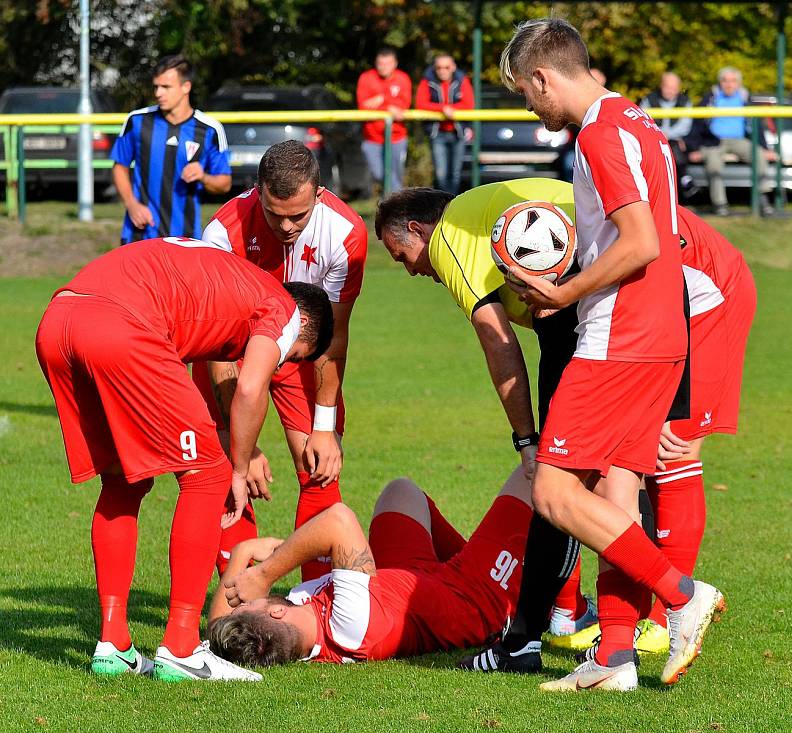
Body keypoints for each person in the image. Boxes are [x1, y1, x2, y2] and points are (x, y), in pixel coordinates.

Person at [495, 18, 725, 692]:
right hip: (660, 333)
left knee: (555, 489)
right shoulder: (643, 122)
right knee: (614, 492)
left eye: (527, 96)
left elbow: (641, 241)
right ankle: (614, 659)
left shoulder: (599, 132)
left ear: (544, 77)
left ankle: (682, 595)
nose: (533, 111)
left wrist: (563, 291)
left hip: (619, 336)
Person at [35, 236, 333, 681]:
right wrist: (238, 465)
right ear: (303, 322)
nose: (281, 364)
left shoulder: (231, 279)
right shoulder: (284, 308)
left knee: (123, 482)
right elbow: (250, 387)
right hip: (120, 326)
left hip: (58, 321)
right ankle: (182, 649)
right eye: (292, 358)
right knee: (208, 476)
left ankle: (113, 645)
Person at [374, 179, 594, 673]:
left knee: (558, 482)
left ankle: (526, 641)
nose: (409, 270)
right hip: (621, 298)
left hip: (583, 312)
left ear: (417, 229)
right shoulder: (481, 223)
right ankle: (630, 622)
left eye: (400, 254)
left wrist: (527, 441)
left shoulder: (450, 238)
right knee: (629, 466)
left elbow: (499, 343)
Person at [550, 206, 757, 655]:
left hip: (705, 300)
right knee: (621, 468)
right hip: (656, 313)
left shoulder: (603, 180)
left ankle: (666, 618)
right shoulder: (579, 204)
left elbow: (650, 255)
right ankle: (625, 625)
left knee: (674, 452)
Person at [199, 140, 368, 581]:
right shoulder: (223, 234)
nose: (288, 226)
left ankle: (316, 597)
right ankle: (237, 603)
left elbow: (335, 334)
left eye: (300, 214)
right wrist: (244, 447)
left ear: (320, 194)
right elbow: (217, 346)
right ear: (257, 193)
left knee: (320, 466)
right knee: (224, 470)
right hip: (231, 352)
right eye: (276, 215)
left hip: (300, 353)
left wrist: (325, 426)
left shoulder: (346, 234)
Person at [207, 465, 532, 666]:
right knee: (540, 472)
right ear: (275, 613)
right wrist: (264, 573)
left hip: (406, 583)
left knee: (401, 492)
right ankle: (555, 608)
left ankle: (483, 557)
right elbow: (339, 521)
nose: (247, 598)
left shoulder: (292, 628)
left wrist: (243, 550)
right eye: (251, 603)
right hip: (470, 599)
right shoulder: (349, 627)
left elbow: (218, 628)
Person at [111, 55, 232, 245]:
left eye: (166, 87)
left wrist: (203, 177)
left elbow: (224, 183)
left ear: (186, 87)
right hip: (139, 234)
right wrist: (131, 204)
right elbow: (120, 167)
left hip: (186, 238)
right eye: (156, 86)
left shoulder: (209, 129)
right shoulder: (137, 121)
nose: (158, 93)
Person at [687, 66, 775, 217]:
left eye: (733, 81)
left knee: (759, 154)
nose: (729, 84)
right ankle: (720, 204)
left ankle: (763, 198)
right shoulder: (711, 98)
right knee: (713, 162)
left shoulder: (744, 98)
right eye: (725, 81)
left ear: (738, 83)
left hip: (738, 140)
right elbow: (697, 123)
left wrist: (764, 147)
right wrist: (693, 148)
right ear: (720, 82)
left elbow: (756, 125)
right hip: (714, 141)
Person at [415, 54, 475, 194]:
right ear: (434, 68)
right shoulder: (427, 80)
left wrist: (451, 109)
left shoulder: (461, 80)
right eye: (439, 67)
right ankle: (442, 204)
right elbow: (421, 103)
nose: (443, 70)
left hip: (457, 132)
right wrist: (443, 108)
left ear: (453, 67)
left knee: (455, 173)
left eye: (446, 67)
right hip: (437, 133)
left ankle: (452, 203)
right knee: (440, 174)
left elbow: (469, 104)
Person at [356, 47, 412, 194]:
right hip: (372, 138)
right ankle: (399, 201)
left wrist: (380, 100)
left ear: (395, 64)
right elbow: (363, 107)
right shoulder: (366, 78)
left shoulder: (402, 78)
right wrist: (390, 105)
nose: (383, 67)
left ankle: (395, 206)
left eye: (387, 63)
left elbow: (402, 108)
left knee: (395, 175)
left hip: (396, 137)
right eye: (380, 63)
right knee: (380, 174)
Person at [640, 72, 699, 202]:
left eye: (674, 88)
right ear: (661, 86)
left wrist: (668, 135)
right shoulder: (649, 99)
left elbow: (685, 125)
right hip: (653, 139)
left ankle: (677, 190)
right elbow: (643, 121)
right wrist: (660, 135)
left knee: (674, 145)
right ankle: (684, 178)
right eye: (667, 87)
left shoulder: (685, 101)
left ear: (678, 88)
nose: (670, 91)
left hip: (676, 140)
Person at [558, 68, 605, 182]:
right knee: (570, 163)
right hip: (576, 146)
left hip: (600, 147)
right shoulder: (575, 101)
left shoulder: (605, 104)